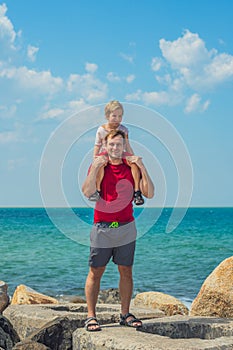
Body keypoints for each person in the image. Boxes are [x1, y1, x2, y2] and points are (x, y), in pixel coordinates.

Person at [82, 129, 154, 331]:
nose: (115, 148)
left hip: (126, 227)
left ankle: (125, 314)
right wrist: (95, 167)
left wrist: (143, 166)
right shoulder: (99, 165)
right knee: (96, 272)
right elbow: (88, 192)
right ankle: (90, 316)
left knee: (126, 271)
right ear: (105, 146)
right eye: (111, 144)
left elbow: (150, 193)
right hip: (103, 227)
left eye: (119, 144)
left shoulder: (131, 167)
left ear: (124, 146)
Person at [88, 100, 144, 206]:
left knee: (134, 164)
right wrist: (95, 159)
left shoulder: (124, 130)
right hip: (105, 153)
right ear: (107, 116)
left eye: (120, 116)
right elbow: (97, 145)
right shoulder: (101, 130)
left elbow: (127, 145)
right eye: (114, 116)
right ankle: (97, 191)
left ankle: (137, 192)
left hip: (120, 153)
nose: (117, 119)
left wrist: (133, 158)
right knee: (101, 164)